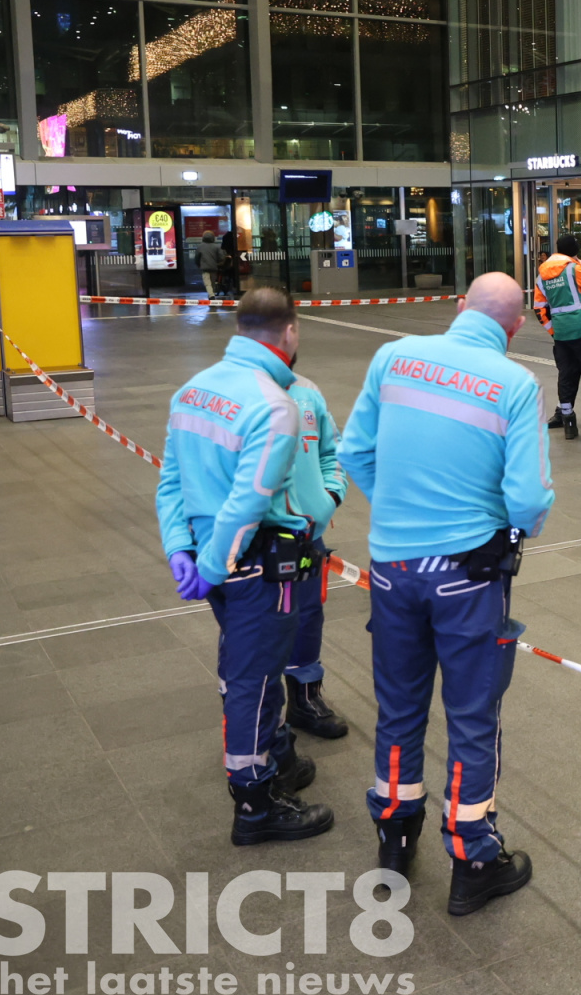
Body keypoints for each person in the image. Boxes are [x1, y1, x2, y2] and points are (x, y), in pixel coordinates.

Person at [338, 272, 552, 915]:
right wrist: (507, 528)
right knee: (471, 714)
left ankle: (394, 835)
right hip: (467, 575)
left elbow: (354, 452)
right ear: (516, 327)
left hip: (390, 567)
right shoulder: (515, 383)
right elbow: (528, 499)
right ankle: (473, 857)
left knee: (399, 705)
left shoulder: (393, 357)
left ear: (460, 307)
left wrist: (400, 509)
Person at [155, 286, 333, 845]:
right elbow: (247, 504)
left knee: (243, 663)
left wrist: (180, 550)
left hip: (211, 561)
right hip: (255, 567)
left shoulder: (193, 389)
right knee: (253, 682)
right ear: (290, 331)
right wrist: (214, 565)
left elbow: (172, 479)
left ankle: (275, 760)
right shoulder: (275, 407)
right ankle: (256, 804)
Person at [281, 367, 351, 739]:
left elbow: (331, 451)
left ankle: (305, 699)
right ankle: (255, 716)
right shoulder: (230, 389)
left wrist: (328, 500)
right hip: (252, 541)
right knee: (252, 624)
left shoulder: (307, 391)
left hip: (307, 536)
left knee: (308, 615)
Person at [532, 234, 581, 442]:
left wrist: (553, 331)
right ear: (575, 251)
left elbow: (539, 309)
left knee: (566, 377)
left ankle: (568, 423)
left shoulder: (542, 275)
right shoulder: (573, 269)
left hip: (561, 334)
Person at [192, 231, 225, 298]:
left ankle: (211, 295)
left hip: (204, 268)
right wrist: (217, 263)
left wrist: (199, 265)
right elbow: (221, 257)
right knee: (213, 282)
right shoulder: (217, 246)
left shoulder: (200, 247)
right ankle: (212, 294)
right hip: (214, 267)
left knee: (207, 283)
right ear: (213, 237)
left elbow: (197, 258)